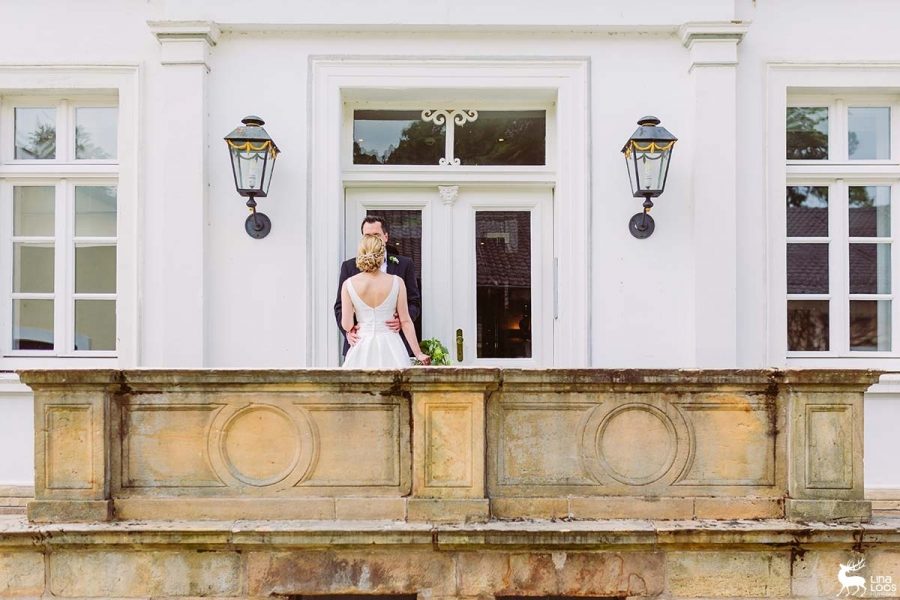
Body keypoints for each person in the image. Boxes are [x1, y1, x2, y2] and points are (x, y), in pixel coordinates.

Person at [334, 215, 421, 357]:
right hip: (359, 342)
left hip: (393, 339)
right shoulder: (349, 266)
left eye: (376, 235)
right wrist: (348, 333)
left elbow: (414, 302)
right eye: (367, 235)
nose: (372, 239)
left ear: (385, 237)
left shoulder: (405, 264)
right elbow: (339, 307)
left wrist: (402, 320)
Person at [340, 234, 430, 368]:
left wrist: (352, 328)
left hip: (361, 345)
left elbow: (347, 325)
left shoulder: (348, 284)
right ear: (382, 254)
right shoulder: (397, 282)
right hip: (391, 345)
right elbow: (405, 322)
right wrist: (418, 353)